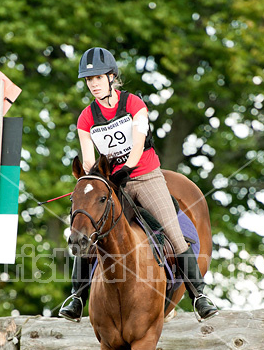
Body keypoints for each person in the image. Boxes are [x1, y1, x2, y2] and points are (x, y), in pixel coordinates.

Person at [59, 47, 218, 322]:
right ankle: (76, 298)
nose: (93, 84)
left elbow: (139, 142)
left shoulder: (133, 104)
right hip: (111, 184)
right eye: (88, 80)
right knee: (85, 232)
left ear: (111, 77)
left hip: (145, 175)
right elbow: (87, 159)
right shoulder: (86, 117)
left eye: (98, 78)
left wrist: (128, 168)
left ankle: (199, 296)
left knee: (172, 231)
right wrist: (92, 179)